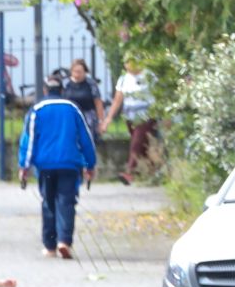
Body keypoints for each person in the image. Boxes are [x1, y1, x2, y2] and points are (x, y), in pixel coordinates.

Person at [19, 79, 97, 259]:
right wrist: (90, 164)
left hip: (45, 165)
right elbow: (86, 138)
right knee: (67, 202)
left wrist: (24, 165)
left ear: (45, 90)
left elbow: (28, 141)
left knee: (48, 202)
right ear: (62, 90)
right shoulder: (72, 108)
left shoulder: (37, 110)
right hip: (69, 164)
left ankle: (50, 246)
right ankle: (65, 241)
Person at [106, 58, 157, 182]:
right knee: (143, 145)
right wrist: (108, 118)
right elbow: (117, 100)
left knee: (136, 143)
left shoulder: (149, 75)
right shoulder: (123, 79)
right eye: (126, 63)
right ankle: (151, 172)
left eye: (130, 62)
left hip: (146, 115)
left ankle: (129, 172)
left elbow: (158, 94)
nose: (127, 65)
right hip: (130, 117)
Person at [61, 58, 108, 139]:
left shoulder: (90, 84)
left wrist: (101, 122)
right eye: (75, 71)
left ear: (85, 72)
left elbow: (98, 102)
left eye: (79, 72)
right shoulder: (66, 84)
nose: (77, 74)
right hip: (71, 116)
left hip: (88, 118)